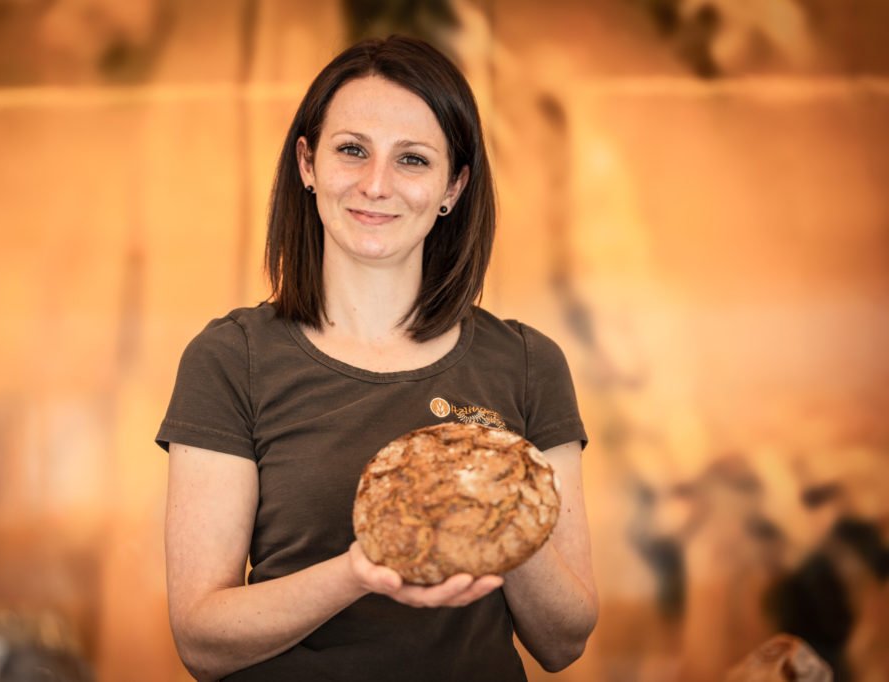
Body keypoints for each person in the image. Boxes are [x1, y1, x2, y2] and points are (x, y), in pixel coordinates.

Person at [155, 35, 597, 682]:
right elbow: (201, 638)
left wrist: (498, 503)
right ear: (307, 163)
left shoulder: (527, 364)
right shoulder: (231, 359)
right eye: (352, 150)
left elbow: (564, 643)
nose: (375, 184)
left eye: (413, 160)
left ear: (454, 187)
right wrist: (360, 572)